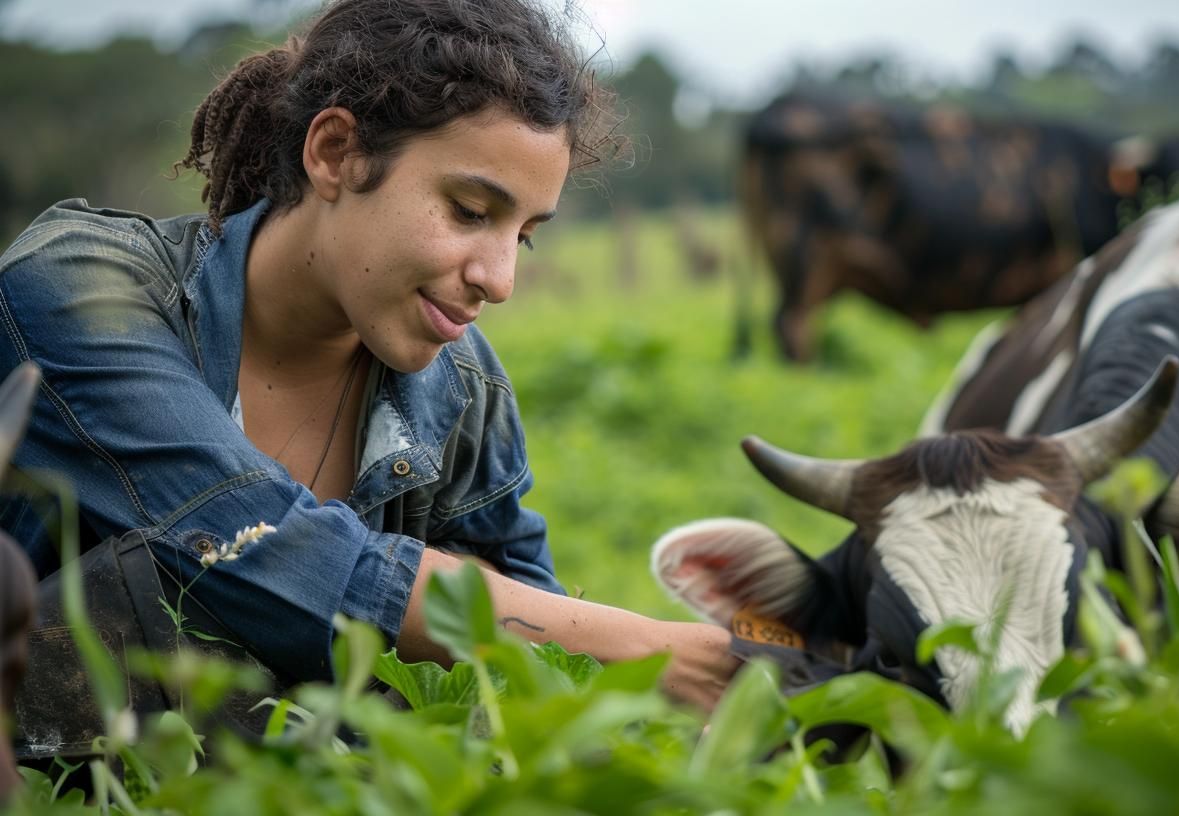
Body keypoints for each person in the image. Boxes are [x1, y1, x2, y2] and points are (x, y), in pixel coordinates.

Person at [0, 0, 738, 716]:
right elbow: (256, 546)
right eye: (470, 211)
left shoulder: (464, 386)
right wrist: (643, 645)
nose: (500, 280)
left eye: (523, 235)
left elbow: (537, 668)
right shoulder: (80, 288)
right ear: (335, 153)